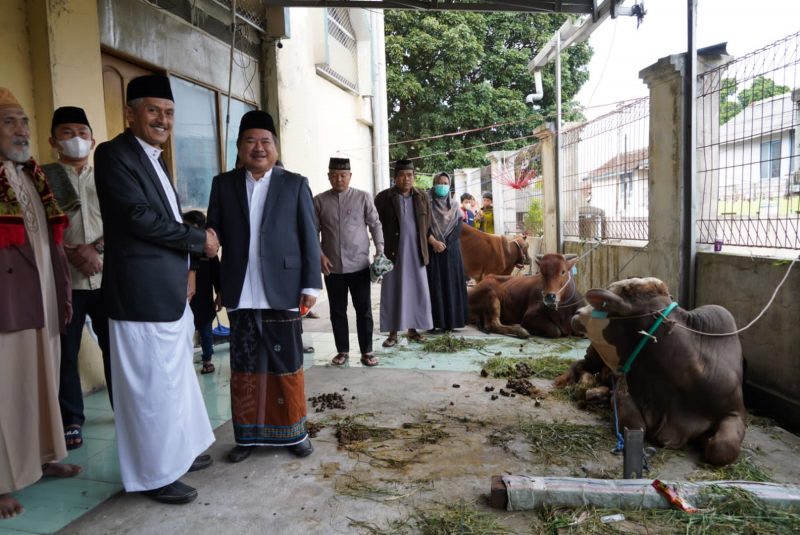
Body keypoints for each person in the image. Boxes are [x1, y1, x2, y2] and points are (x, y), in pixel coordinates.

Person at [94, 75, 216, 505]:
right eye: (153, 111)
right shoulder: (113, 155)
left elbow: (166, 218)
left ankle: (178, 453)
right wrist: (197, 241)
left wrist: (189, 264)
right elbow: (138, 219)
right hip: (139, 296)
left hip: (166, 292)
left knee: (174, 383)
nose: (163, 120)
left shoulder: (155, 159)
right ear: (130, 114)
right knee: (149, 390)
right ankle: (154, 473)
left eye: (168, 113)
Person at [206, 110, 321, 464]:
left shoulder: (294, 184)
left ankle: (294, 433)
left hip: (283, 288)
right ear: (239, 147)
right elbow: (213, 238)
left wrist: (311, 284)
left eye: (265, 141)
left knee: (286, 366)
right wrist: (215, 285)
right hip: (240, 290)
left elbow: (308, 236)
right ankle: (247, 436)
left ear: (275, 146)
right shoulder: (223, 184)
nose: (258, 148)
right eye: (250, 141)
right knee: (244, 369)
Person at [0, 88, 81, 519]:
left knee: (43, 377)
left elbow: (52, 239)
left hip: (42, 294)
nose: (20, 130)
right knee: (6, 387)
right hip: (7, 303)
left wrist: (63, 290)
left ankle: (44, 456)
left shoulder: (33, 174)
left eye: (24, 121)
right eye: (9, 121)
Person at [41, 106, 112, 452]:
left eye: (82, 133)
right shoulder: (43, 178)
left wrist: (95, 248)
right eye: (67, 133)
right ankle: (71, 419)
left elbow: (123, 220)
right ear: (53, 141)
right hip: (65, 281)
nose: (76, 140)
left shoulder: (108, 177)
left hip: (106, 276)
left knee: (115, 348)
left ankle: (124, 409)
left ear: (93, 140)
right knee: (66, 352)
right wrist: (73, 252)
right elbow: (36, 225)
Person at [314, 157, 384, 367]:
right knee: (337, 311)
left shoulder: (362, 197)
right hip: (332, 267)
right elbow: (312, 231)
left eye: (343, 175)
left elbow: (375, 224)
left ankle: (367, 351)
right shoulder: (319, 201)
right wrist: (319, 255)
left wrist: (379, 250)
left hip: (359, 265)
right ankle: (342, 350)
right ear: (328, 176)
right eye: (334, 175)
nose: (339, 179)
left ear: (350, 176)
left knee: (363, 310)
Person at [374, 159, 433, 347]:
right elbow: (375, 225)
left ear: (414, 177)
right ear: (395, 178)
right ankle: (393, 333)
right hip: (393, 253)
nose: (406, 179)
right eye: (401, 175)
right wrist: (379, 250)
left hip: (416, 253)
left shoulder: (422, 197)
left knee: (417, 291)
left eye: (409, 175)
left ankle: (413, 330)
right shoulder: (383, 198)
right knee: (393, 291)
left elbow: (428, 225)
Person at [427, 173, 468, 331]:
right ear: (434, 183)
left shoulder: (455, 205)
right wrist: (434, 242)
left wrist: (445, 244)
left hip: (451, 252)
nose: (442, 186)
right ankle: (434, 322)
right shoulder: (427, 204)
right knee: (434, 285)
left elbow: (459, 227)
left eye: (445, 183)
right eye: (439, 182)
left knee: (451, 285)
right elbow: (422, 226)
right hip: (432, 251)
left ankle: (451, 322)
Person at [183, 210, 221, 375]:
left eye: (188, 227)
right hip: (187, 301)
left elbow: (217, 275)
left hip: (204, 301)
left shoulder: (209, 254)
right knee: (186, 333)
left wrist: (220, 294)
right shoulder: (183, 251)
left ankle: (207, 360)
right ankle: (185, 362)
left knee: (206, 333)